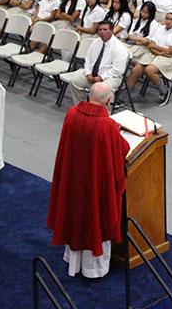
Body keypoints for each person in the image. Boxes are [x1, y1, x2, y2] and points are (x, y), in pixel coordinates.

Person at [47, 83, 131, 279]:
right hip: (95, 186)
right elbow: (121, 150)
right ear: (109, 101)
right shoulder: (106, 125)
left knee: (75, 215)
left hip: (74, 181)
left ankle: (73, 261)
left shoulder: (72, 114)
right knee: (95, 218)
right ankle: (94, 270)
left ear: (88, 96)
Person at [125, 10, 172, 106]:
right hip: (155, 54)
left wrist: (156, 49)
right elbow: (151, 45)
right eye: (167, 18)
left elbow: (170, 52)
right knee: (136, 69)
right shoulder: (160, 29)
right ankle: (125, 95)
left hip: (171, 59)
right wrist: (158, 50)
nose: (168, 21)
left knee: (149, 70)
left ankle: (164, 91)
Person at [67, 21, 130, 103]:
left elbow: (118, 70)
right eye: (100, 30)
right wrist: (88, 73)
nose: (102, 32)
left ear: (112, 30)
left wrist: (101, 77)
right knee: (75, 81)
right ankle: (82, 106)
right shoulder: (95, 42)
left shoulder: (119, 48)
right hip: (93, 74)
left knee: (102, 89)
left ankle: (104, 113)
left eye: (105, 29)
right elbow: (88, 60)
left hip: (111, 77)